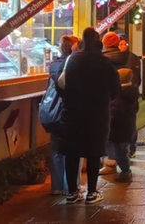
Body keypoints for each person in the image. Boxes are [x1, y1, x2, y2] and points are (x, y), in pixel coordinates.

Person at [57, 28, 120, 205]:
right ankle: (92, 192)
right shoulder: (105, 63)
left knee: (72, 152)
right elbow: (115, 90)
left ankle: (71, 192)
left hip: (73, 113)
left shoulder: (73, 60)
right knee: (93, 152)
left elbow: (61, 84)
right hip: (97, 115)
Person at [47, 34, 80, 195]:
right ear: (73, 47)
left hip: (54, 112)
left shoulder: (54, 64)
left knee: (56, 149)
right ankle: (72, 187)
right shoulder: (74, 65)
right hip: (69, 110)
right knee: (73, 148)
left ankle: (57, 186)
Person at [101, 31, 142, 158]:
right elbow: (137, 79)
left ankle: (113, 160)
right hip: (129, 96)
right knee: (128, 124)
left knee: (112, 129)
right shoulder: (132, 58)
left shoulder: (103, 60)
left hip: (112, 98)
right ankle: (128, 152)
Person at [100, 68, 139, 182]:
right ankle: (125, 170)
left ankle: (125, 171)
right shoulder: (132, 92)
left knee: (117, 150)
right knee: (122, 150)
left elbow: (115, 111)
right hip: (126, 127)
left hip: (116, 127)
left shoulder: (118, 94)